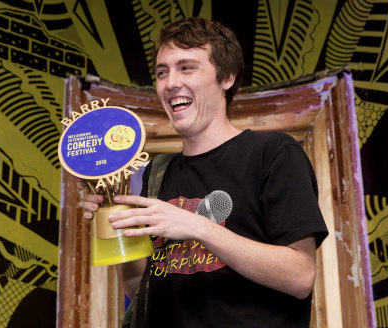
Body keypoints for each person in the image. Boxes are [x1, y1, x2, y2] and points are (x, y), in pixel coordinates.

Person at [82, 17, 328, 327]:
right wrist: (116, 218)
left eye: (187, 67)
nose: (170, 82)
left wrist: (199, 228)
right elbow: (139, 287)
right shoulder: (157, 174)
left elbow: (300, 276)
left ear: (226, 77)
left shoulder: (273, 153)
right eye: (162, 72)